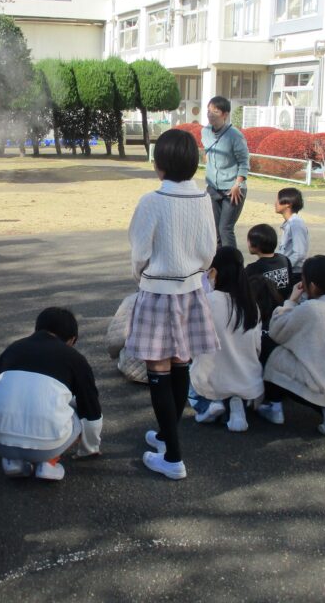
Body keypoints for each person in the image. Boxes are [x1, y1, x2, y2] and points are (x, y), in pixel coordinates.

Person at [127, 129, 218, 481]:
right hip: (192, 289)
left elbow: (139, 252)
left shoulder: (152, 201)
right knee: (181, 364)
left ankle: (174, 457)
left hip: (159, 290)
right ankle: (168, 436)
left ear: (159, 164)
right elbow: (210, 248)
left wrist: (143, 277)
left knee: (159, 371)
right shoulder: (203, 198)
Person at [0, 308, 102, 481]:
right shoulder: (73, 357)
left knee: (12, 398)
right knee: (75, 405)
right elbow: (91, 411)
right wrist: (90, 448)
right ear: (72, 339)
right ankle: (48, 462)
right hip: (47, 445)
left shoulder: (12, 350)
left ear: (37, 329)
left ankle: (12, 461)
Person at [257, 256, 325, 435]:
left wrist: (291, 300)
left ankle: (273, 405)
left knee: (268, 345)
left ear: (313, 285)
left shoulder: (312, 309)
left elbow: (276, 330)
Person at [189, 247, 264, 432]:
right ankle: (235, 404)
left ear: (214, 272)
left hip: (212, 379)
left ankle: (208, 405)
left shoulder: (206, 302)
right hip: (248, 381)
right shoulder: (251, 305)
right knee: (232, 378)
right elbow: (257, 347)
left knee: (187, 373)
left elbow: (192, 343)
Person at [200, 96, 250, 248]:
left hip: (233, 188)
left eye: (215, 111)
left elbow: (244, 162)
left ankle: (232, 266)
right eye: (209, 111)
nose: (210, 114)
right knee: (214, 229)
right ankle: (218, 264)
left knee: (225, 229)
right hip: (213, 187)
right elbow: (207, 152)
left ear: (225, 114)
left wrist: (237, 184)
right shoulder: (205, 131)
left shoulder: (235, 135)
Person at [245, 224, 292, 297]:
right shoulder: (284, 259)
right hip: (285, 304)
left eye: (249, 240)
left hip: (265, 306)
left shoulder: (252, 269)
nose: (247, 243)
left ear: (256, 244)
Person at [275, 187, 309, 278]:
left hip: (294, 273)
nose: (275, 203)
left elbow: (299, 253)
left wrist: (282, 267)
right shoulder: (290, 223)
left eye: (278, 200)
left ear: (288, 204)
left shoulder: (296, 224)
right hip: (288, 270)